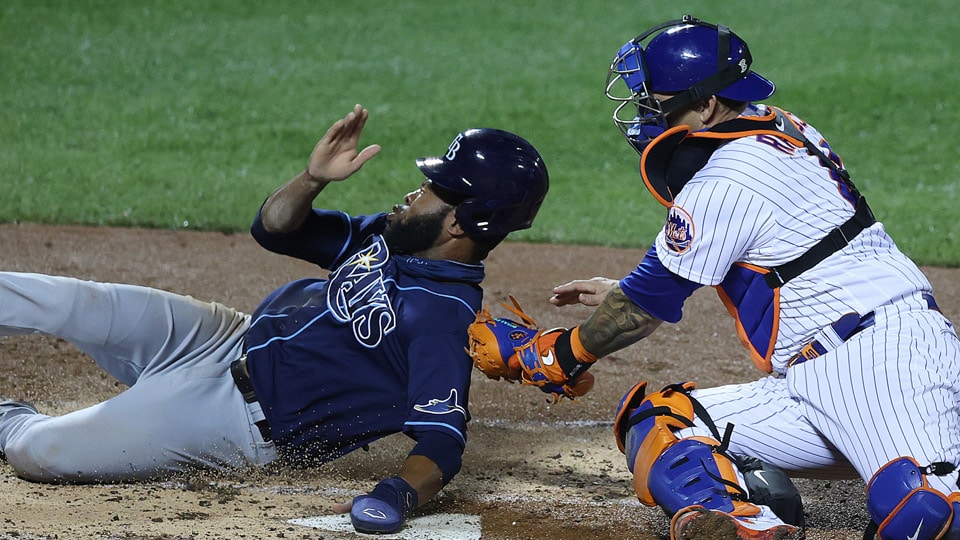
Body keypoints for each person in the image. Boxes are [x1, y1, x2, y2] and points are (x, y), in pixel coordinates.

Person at [0, 104, 549, 535]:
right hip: (222, 335)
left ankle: (6, 417)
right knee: (67, 301)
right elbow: (277, 229)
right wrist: (313, 179)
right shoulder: (392, 235)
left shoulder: (440, 318)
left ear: (461, 223)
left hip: (231, 422)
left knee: (39, 451)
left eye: (435, 191)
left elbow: (441, 441)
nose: (415, 193)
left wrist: (394, 496)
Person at [518, 15, 959, 540]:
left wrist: (561, 355)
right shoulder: (780, 126)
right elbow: (777, 250)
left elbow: (645, 307)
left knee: (927, 513)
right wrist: (624, 290)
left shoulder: (725, 178)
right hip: (816, 377)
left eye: (659, 104)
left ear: (706, 105)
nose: (648, 117)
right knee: (663, 423)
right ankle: (747, 525)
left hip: (880, 361)